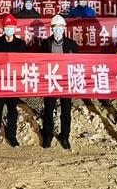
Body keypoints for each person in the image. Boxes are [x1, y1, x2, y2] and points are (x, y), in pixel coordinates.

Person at [0, 14, 28, 147]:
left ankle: (11, 136)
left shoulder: (21, 44)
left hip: (14, 83)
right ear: (3, 28)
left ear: (15, 28)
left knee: (12, 111)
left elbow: (24, 63)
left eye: (11, 27)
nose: (9, 29)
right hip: (0, 82)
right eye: (6, 27)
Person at [40, 15, 77, 150]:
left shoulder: (72, 44)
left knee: (66, 110)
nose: (58, 29)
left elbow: (77, 63)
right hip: (51, 80)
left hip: (66, 81)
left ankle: (64, 135)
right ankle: (47, 135)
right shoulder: (45, 43)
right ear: (51, 29)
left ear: (64, 28)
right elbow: (40, 62)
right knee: (48, 109)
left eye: (60, 27)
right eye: (55, 27)